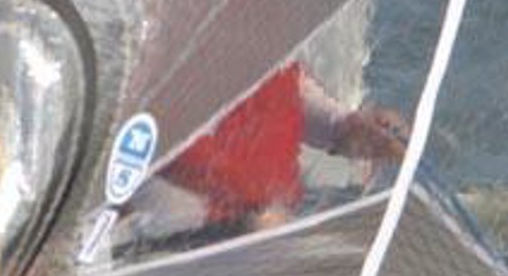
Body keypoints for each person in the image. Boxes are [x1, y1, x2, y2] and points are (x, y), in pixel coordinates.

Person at [159, 60, 409, 232]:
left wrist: (343, 126)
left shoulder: (262, 39)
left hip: (270, 219)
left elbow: (289, 91)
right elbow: (159, 140)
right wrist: (252, 205)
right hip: (206, 234)